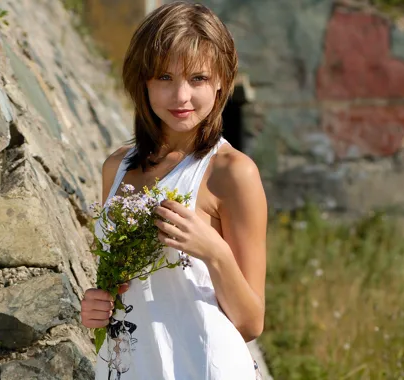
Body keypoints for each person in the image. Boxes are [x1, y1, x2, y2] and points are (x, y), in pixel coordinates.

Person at [81, 2, 267, 379]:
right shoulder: (117, 168)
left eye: (198, 78)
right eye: (164, 77)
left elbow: (251, 322)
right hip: (131, 364)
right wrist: (97, 305)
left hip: (203, 365)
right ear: (143, 81)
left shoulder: (232, 172)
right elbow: (124, 284)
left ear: (220, 82)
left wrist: (214, 251)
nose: (181, 96)